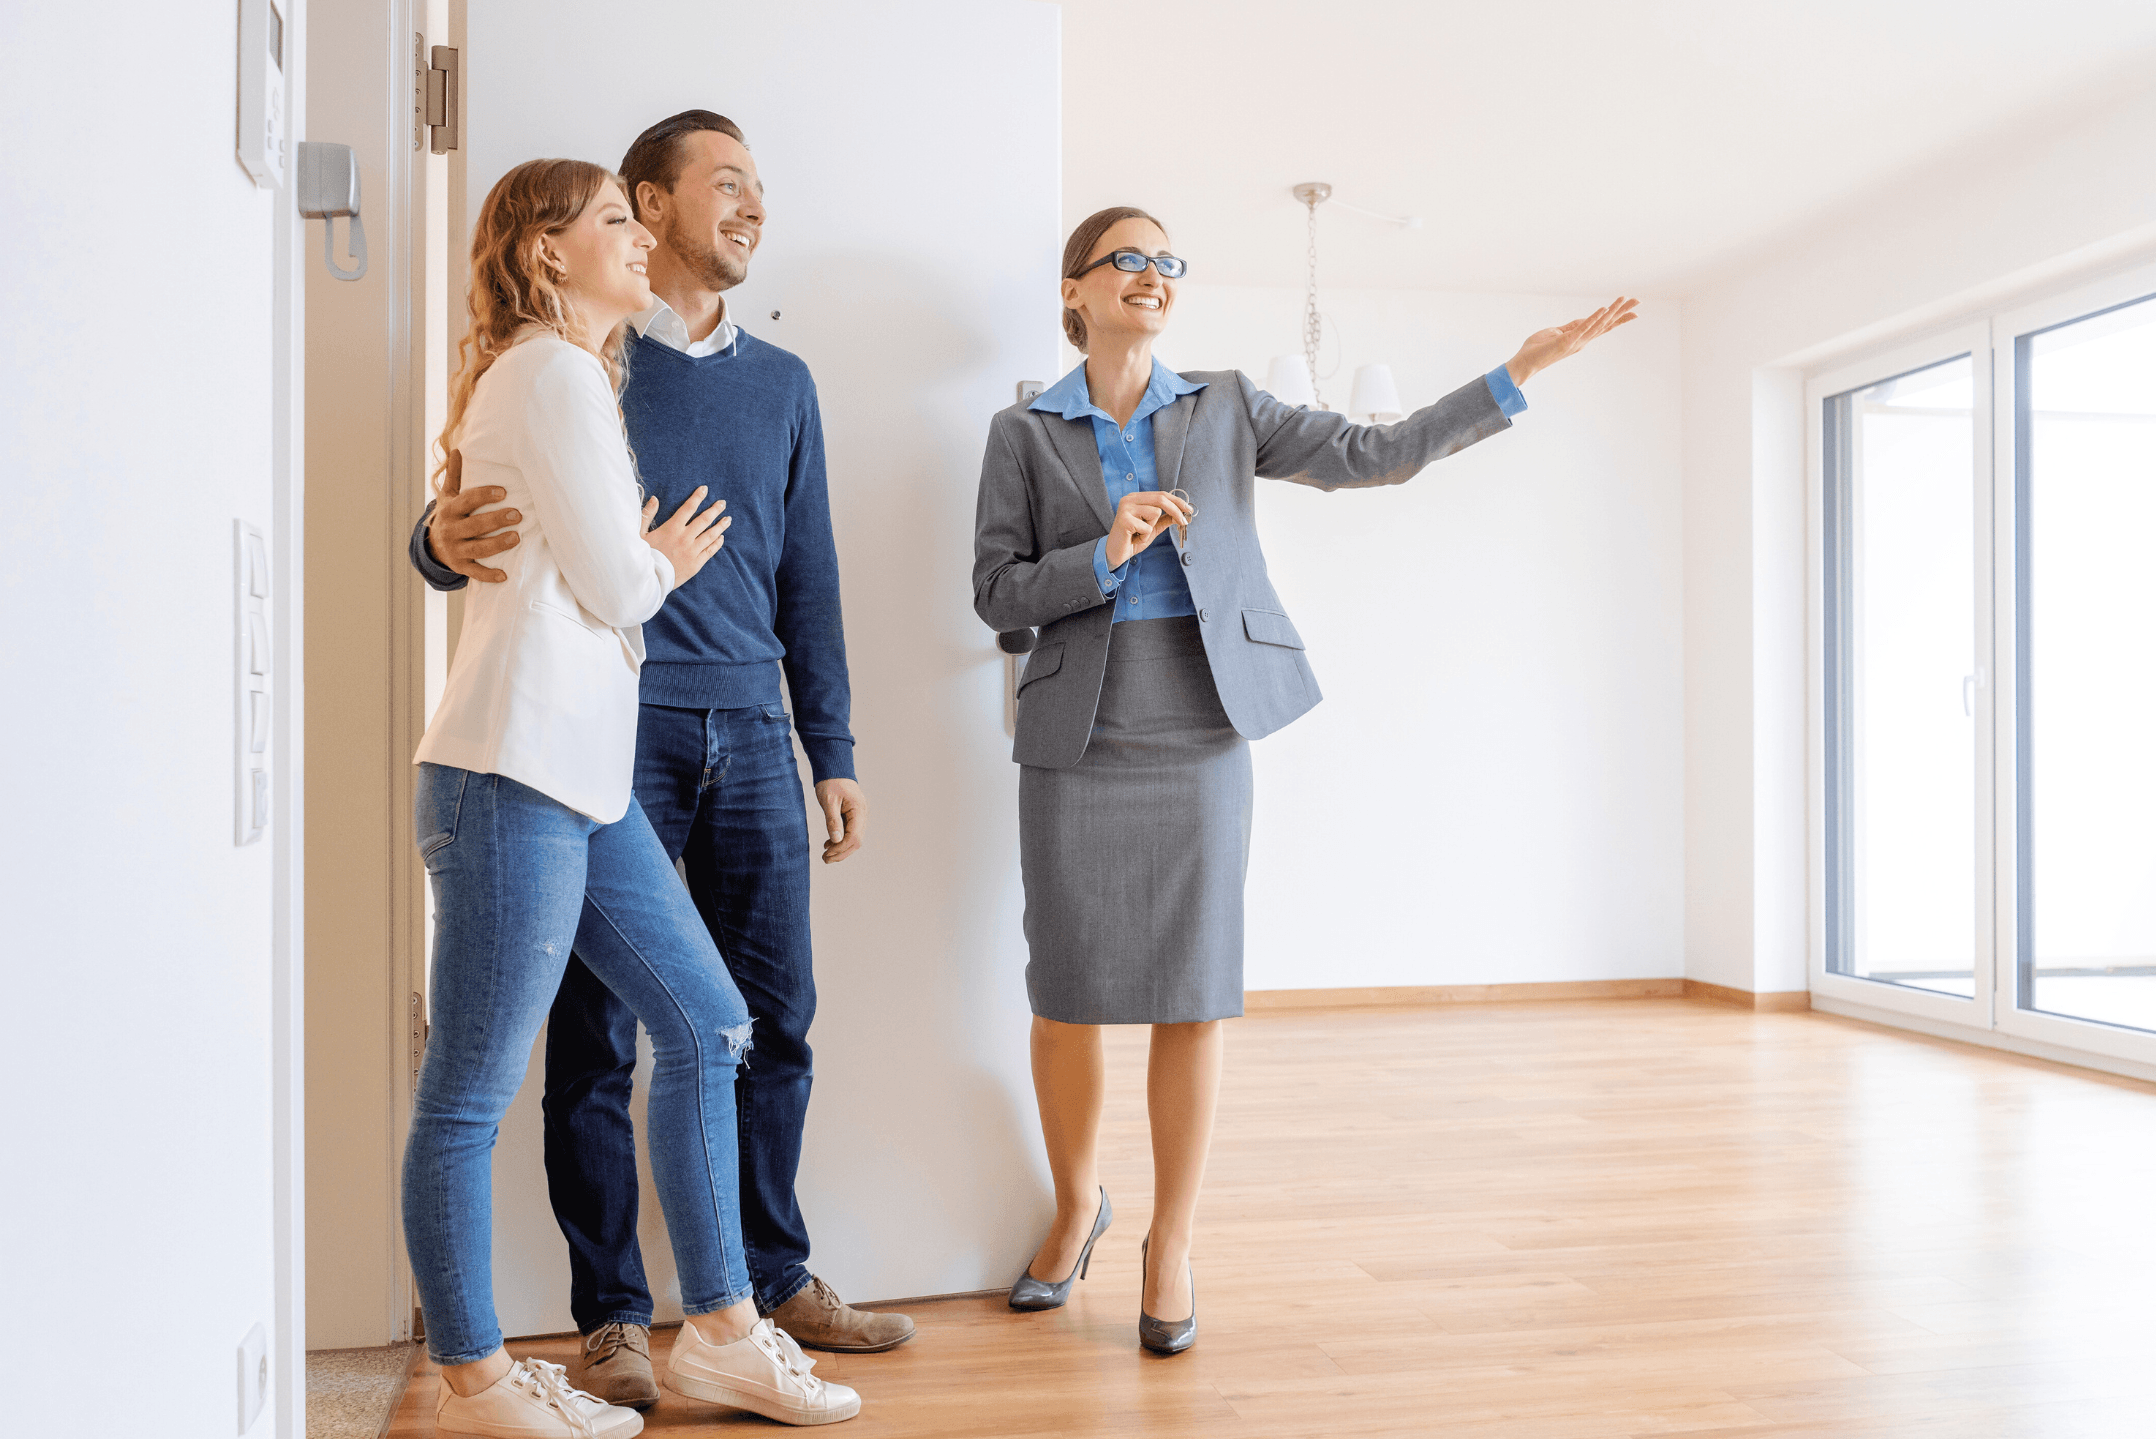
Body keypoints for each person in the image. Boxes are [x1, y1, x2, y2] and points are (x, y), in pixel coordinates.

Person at [971, 205, 1635, 1356]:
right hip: (1076, 730)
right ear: (1074, 289)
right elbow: (994, 591)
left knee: (1194, 982)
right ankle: (1079, 1202)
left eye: (1169, 261)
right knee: (1065, 989)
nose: (1155, 274)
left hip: (1201, 714)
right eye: (1129, 257)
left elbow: (1372, 455)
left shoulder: (1225, 403)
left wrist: (1513, 374)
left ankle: (1170, 1238)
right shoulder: (1021, 431)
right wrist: (1103, 551)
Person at [409, 112, 909, 1411]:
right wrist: (432, 535)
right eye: (719, 182)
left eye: (761, 183)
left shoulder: (760, 380)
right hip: (588, 735)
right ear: (637, 205)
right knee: (588, 1039)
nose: (749, 203)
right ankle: (610, 1317)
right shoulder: (579, 362)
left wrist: (830, 744)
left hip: (724, 726)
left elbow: (812, 575)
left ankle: (752, 1292)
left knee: (751, 1018)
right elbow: (486, 498)